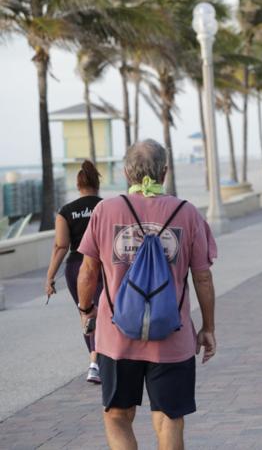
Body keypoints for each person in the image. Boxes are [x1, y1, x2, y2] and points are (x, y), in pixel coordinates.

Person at [76, 139, 218, 450]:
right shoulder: (187, 213)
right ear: (165, 171)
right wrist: (208, 328)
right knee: (169, 416)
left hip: (116, 336)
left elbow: (88, 272)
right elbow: (203, 278)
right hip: (172, 333)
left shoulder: (105, 210)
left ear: (127, 172)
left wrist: (86, 311)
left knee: (117, 415)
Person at [45, 160, 104, 384]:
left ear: (78, 185)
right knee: (104, 312)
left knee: (86, 313)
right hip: (103, 266)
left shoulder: (66, 211)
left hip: (76, 268)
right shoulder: (106, 207)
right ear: (97, 184)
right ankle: (97, 361)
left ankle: (94, 363)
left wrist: (50, 277)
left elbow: (60, 246)